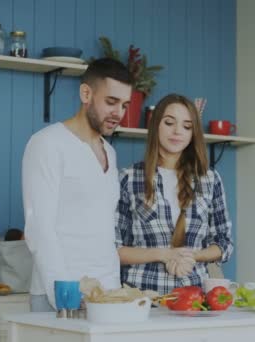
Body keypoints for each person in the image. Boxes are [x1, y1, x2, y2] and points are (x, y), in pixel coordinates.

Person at [22, 58, 132, 311]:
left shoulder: (109, 152)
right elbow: (39, 229)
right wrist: (66, 298)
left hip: (107, 294)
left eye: (125, 105)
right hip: (62, 297)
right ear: (86, 93)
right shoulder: (47, 144)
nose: (119, 114)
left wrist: (112, 291)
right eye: (111, 102)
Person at [115, 93, 234, 295]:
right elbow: (115, 250)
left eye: (187, 126)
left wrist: (191, 256)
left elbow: (224, 243)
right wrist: (164, 254)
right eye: (169, 122)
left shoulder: (210, 179)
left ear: (193, 133)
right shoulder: (129, 178)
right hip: (142, 299)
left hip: (195, 298)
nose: (178, 131)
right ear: (156, 126)